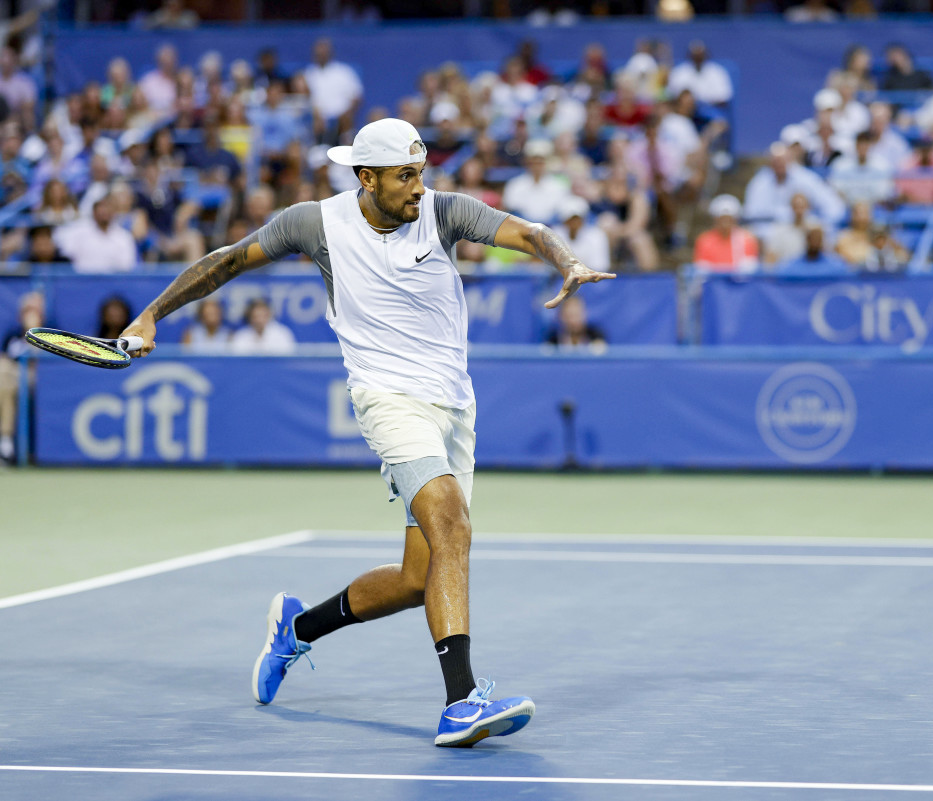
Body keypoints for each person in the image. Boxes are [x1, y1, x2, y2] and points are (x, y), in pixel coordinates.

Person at [119, 118, 615, 748]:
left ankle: (296, 631)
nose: (417, 186)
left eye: (421, 172)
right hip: (386, 398)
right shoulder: (315, 224)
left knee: (418, 576)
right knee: (452, 522)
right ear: (367, 177)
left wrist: (565, 260)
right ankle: (461, 701)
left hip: (454, 406)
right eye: (404, 175)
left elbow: (529, 231)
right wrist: (151, 314)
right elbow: (227, 261)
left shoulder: (443, 212)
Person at [0, 291, 44, 464]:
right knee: (5, 381)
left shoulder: (53, 335)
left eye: (35, 311)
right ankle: (5, 442)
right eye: (27, 311)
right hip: (12, 381)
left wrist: (32, 337)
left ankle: (5, 442)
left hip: (39, 380)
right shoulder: (12, 336)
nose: (31, 315)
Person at [54, 194, 138, 273]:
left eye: (107, 207)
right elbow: (61, 245)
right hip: (83, 282)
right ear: (94, 212)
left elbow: (127, 267)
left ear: (113, 212)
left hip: (113, 284)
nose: (104, 211)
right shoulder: (78, 233)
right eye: (101, 207)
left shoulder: (124, 237)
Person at [305, 38, 364, 145]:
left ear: (330, 52)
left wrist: (345, 115)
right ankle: (317, 150)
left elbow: (356, 97)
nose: (321, 55)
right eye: (318, 52)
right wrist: (316, 115)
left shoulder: (343, 71)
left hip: (343, 118)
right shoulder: (309, 74)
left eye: (324, 52)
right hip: (318, 119)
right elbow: (305, 99)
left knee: (346, 122)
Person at [502, 139, 570, 225]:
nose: (537, 166)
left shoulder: (559, 186)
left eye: (540, 162)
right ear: (527, 162)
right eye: (533, 162)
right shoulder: (515, 185)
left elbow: (562, 211)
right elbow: (511, 209)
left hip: (551, 230)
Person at [693, 194, 758, 272]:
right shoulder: (704, 240)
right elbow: (702, 270)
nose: (725, 223)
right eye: (722, 219)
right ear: (715, 219)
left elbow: (748, 270)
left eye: (729, 219)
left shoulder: (747, 239)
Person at [552, 196, 610, 273]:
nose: (574, 223)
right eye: (570, 219)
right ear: (564, 220)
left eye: (577, 219)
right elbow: (549, 267)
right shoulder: (553, 235)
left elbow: (600, 266)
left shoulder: (597, 236)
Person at [229, 298, 297, 355]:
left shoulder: (282, 334)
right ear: (249, 317)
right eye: (255, 316)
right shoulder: (241, 336)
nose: (259, 320)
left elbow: (288, 361)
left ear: (269, 315)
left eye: (263, 316)